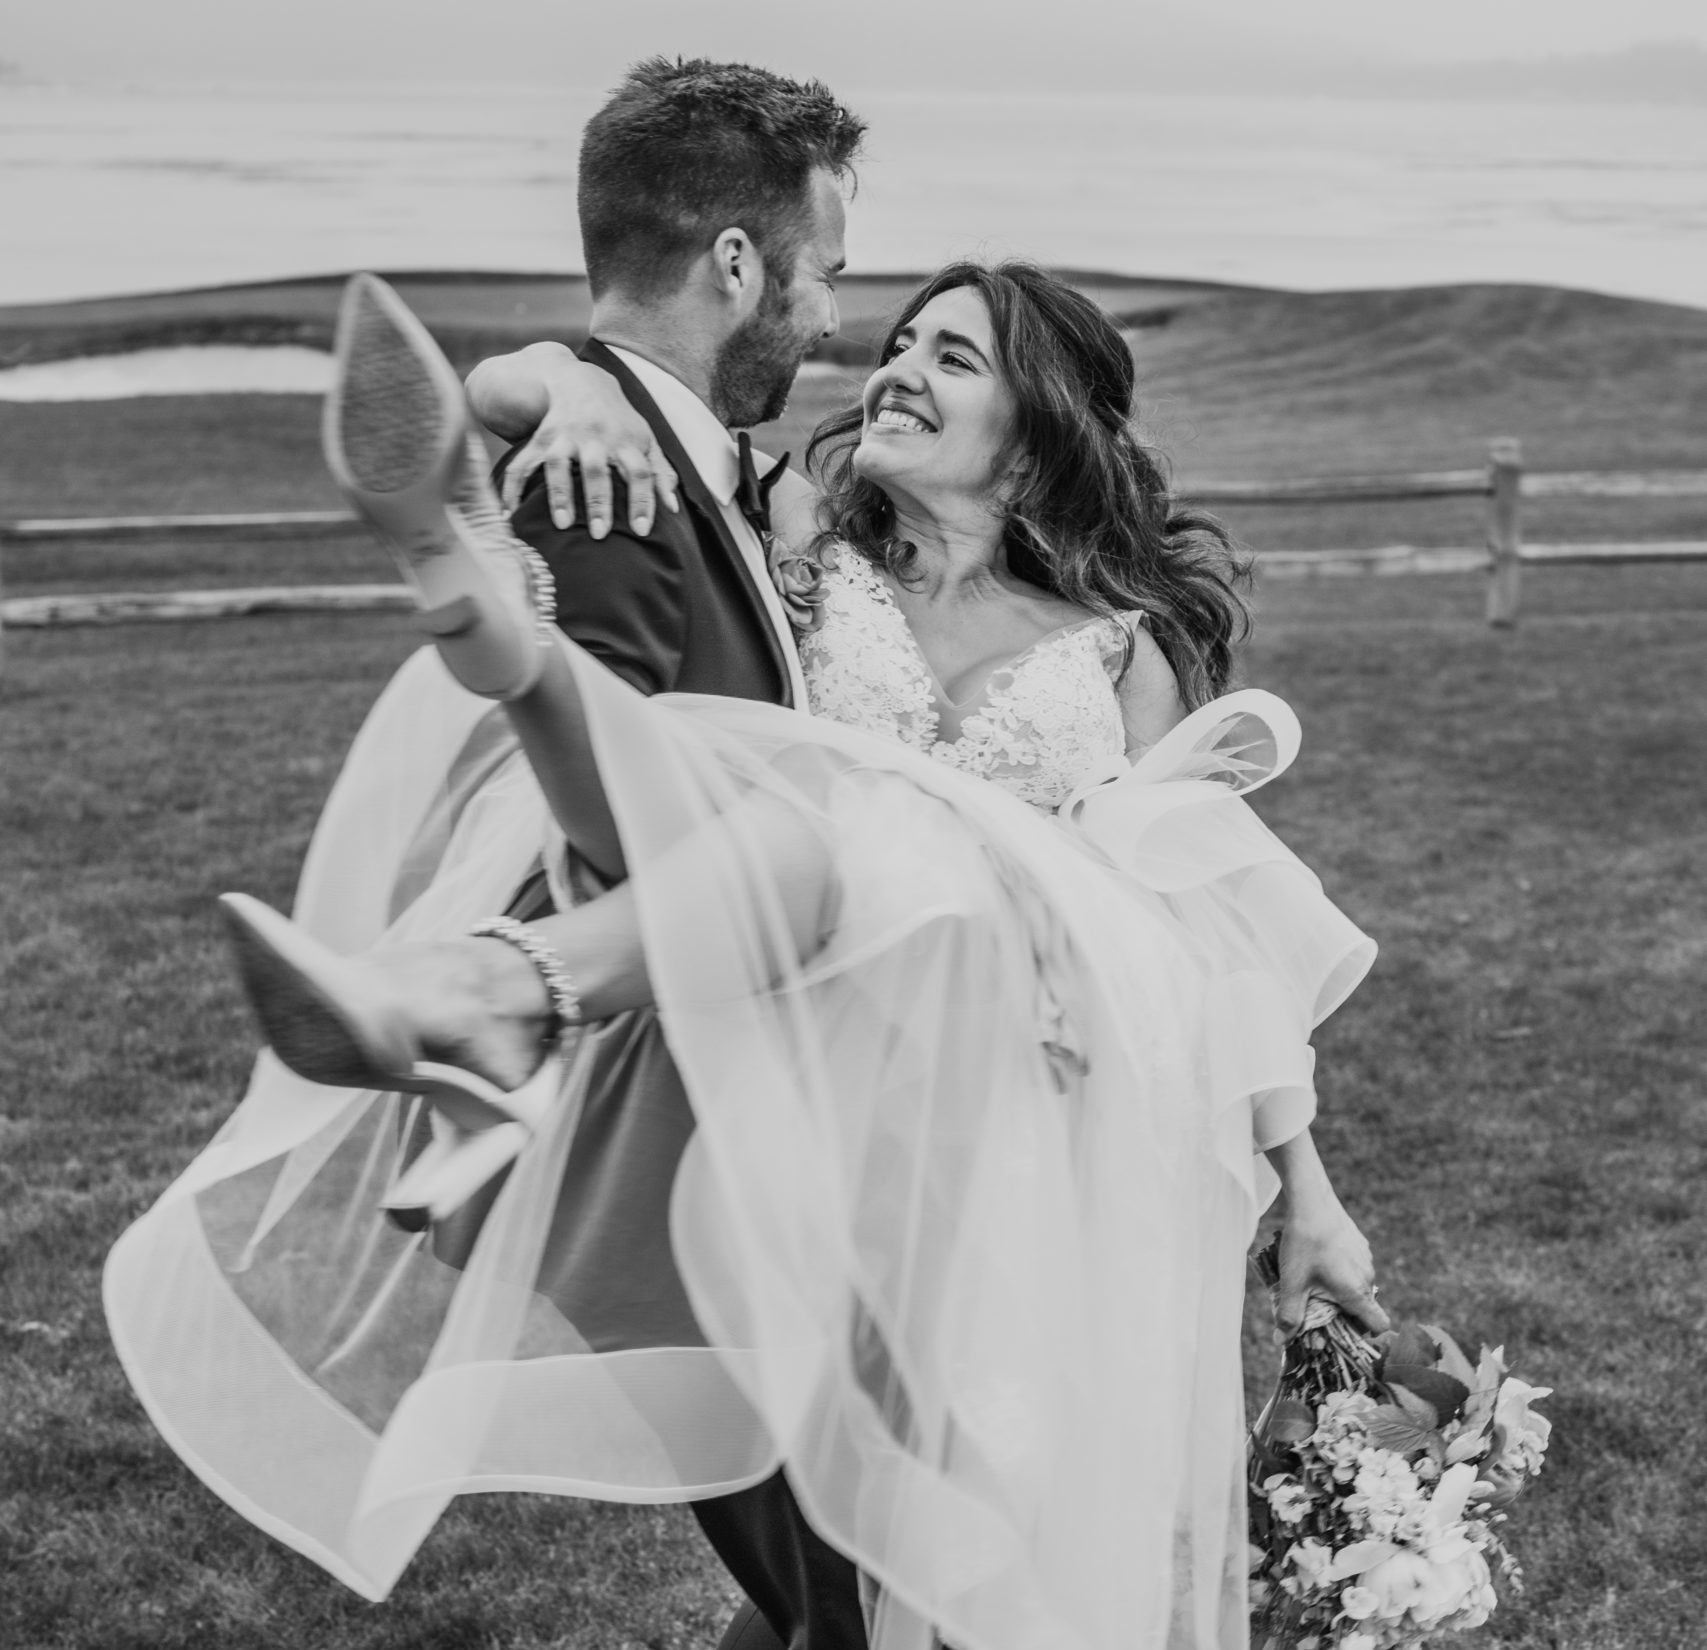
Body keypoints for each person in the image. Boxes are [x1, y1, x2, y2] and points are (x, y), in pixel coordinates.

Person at [110, 233, 1384, 1647]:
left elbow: (1205, 918)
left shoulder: (1119, 644)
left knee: (928, 1539)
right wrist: (561, 385)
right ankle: (500, 707)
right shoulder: (799, 540)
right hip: (807, 1090)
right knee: (858, 1519)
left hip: (1017, 1121)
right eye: (898, 341)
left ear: (1037, 428)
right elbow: (584, 398)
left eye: (951, 357)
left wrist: (1304, 1189)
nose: (897, 368)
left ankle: (503, 966)